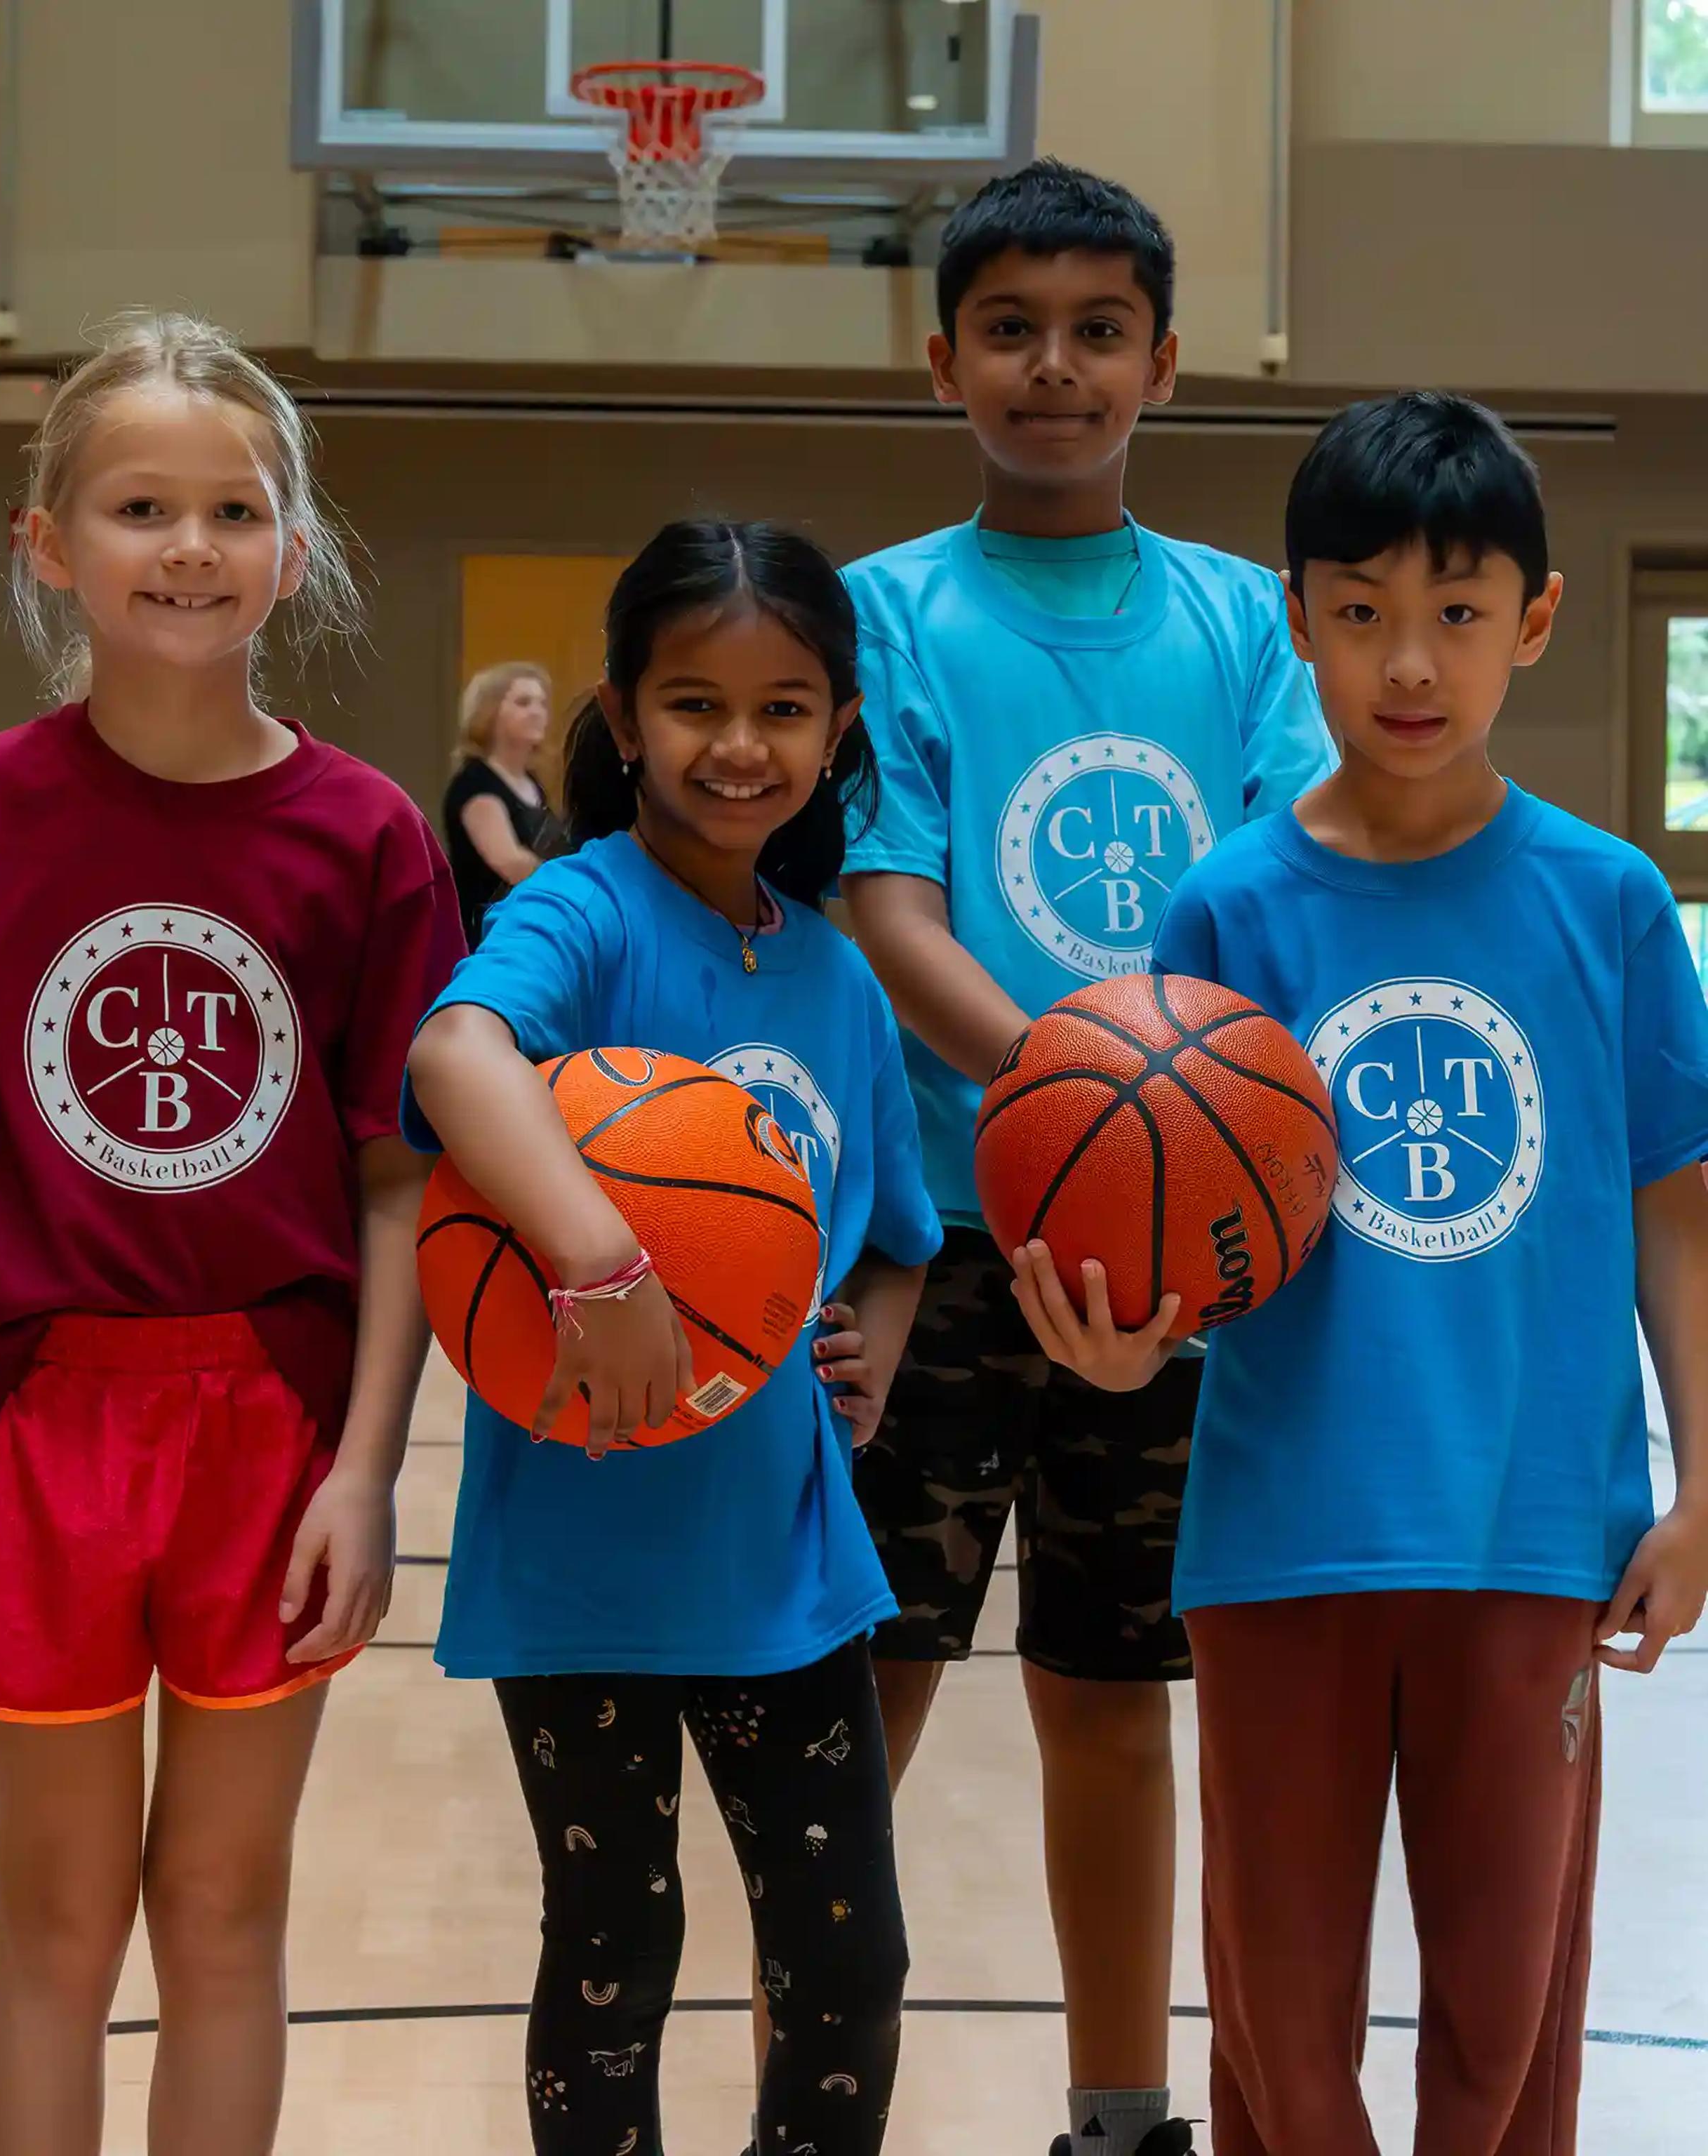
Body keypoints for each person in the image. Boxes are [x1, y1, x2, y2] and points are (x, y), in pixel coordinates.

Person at [0, 312, 462, 2156]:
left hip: (278, 1425)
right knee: (56, 1924)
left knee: (226, 1918)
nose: (191, 547)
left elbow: (400, 1178)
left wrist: (371, 1470)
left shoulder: (370, 835)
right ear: (48, 541)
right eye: (141, 506)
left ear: (294, 553)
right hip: (41, 1413)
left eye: (235, 510)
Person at [1015, 390, 1708, 2155]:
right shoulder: (1227, 906)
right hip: (1278, 1535)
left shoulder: (1609, 898)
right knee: (1275, 2007)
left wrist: (1702, 1483)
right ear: (1291, 612)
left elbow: (1672, 1211)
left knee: (1502, 2023)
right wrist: (1118, 1348)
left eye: (1458, 612)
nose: (1408, 660)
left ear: (1533, 622)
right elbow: (1161, 1231)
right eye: (1359, 611)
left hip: (1528, 1526)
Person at [836, 159, 1333, 2156]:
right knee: (864, 1694)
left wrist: (1185, 1138)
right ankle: (822, 2092)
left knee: (1117, 1703)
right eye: (1014, 328)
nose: (1057, 367)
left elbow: (1301, 905)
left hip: (1176, 1272)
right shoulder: (882, 609)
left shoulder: (1240, 622)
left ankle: (1121, 2123)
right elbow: (891, 911)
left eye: (1100, 329)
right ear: (942, 353)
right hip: (945, 1244)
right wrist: (1093, 1092)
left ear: (1165, 360)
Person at [406, 521, 940, 2156]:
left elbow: (901, 1236)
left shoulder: (841, 979)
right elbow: (452, 1050)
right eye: (692, 701)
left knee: (849, 1958)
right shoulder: (583, 914)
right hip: (581, 1554)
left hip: (781, 1548)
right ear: (622, 716)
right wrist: (599, 1254)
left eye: (782, 706)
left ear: (835, 727)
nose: (737, 743)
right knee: (614, 1951)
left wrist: (866, 1355)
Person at [442, 658, 566, 945]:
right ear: (490, 712)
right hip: (489, 938)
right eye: (523, 702)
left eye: (541, 703)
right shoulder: (476, 784)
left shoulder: (532, 784)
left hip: (526, 930)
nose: (537, 712)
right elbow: (510, 862)